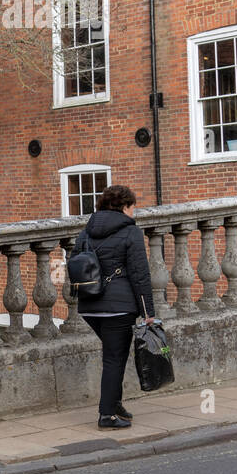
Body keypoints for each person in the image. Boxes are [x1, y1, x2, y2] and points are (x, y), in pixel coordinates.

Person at [75, 184, 161, 429]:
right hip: (119, 307)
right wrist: (148, 313)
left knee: (116, 355)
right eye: (133, 207)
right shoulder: (131, 232)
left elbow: (75, 263)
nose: (134, 212)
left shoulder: (86, 232)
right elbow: (140, 274)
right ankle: (106, 415)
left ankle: (115, 404)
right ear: (124, 207)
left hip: (89, 306)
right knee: (114, 358)